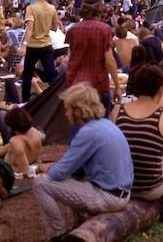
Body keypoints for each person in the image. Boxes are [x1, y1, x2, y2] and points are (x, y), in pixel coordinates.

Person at [33, 83, 133, 239]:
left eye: (67, 109)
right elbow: (72, 166)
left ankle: (57, 234)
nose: (65, 113)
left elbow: (59, 173)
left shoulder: (88, 132)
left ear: (78, 111)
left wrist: (46, 168)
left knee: (40, 183)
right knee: (74, 178)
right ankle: (80, 224)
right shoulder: (105, 124)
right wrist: (57, 167)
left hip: (109, 196)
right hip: (121, 192)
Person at [112, 65, 163, 225]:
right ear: (160, 89)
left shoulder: (117, 111)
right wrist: (155, 144)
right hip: (149, 189)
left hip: (119, 184)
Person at [65, 0, 121, 113]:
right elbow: (109, 61)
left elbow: (70, 56)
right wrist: (117, 86)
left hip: (76, 84)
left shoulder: (73, 30)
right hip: (97, 84)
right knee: (100, 124)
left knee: (78, 122)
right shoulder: (104, 30)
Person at [21, 0, 63, 103]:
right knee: (51, 74)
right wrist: (44, 25)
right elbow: (55, 28)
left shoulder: (31, 8)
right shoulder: (51, 8)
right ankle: (57, 99)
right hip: (46, 45)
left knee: (27, 75)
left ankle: (25, 101)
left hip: (33, 46)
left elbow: (29, 28)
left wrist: (24, 45)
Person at [0, 107, 43, 179]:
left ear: (11, 127)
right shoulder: (34, 131)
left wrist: (1, 165)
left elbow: (25, 172)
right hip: (30, 160)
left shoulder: (15, 141)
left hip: (10, 166)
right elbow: (9, 146)